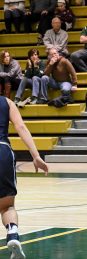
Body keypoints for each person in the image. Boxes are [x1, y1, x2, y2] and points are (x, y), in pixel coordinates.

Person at [0, 95, 48, 259]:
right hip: (2, 152)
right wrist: (35, 155)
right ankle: (13, 234)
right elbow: (20, 127)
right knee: (6, 206)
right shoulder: (6, 102)